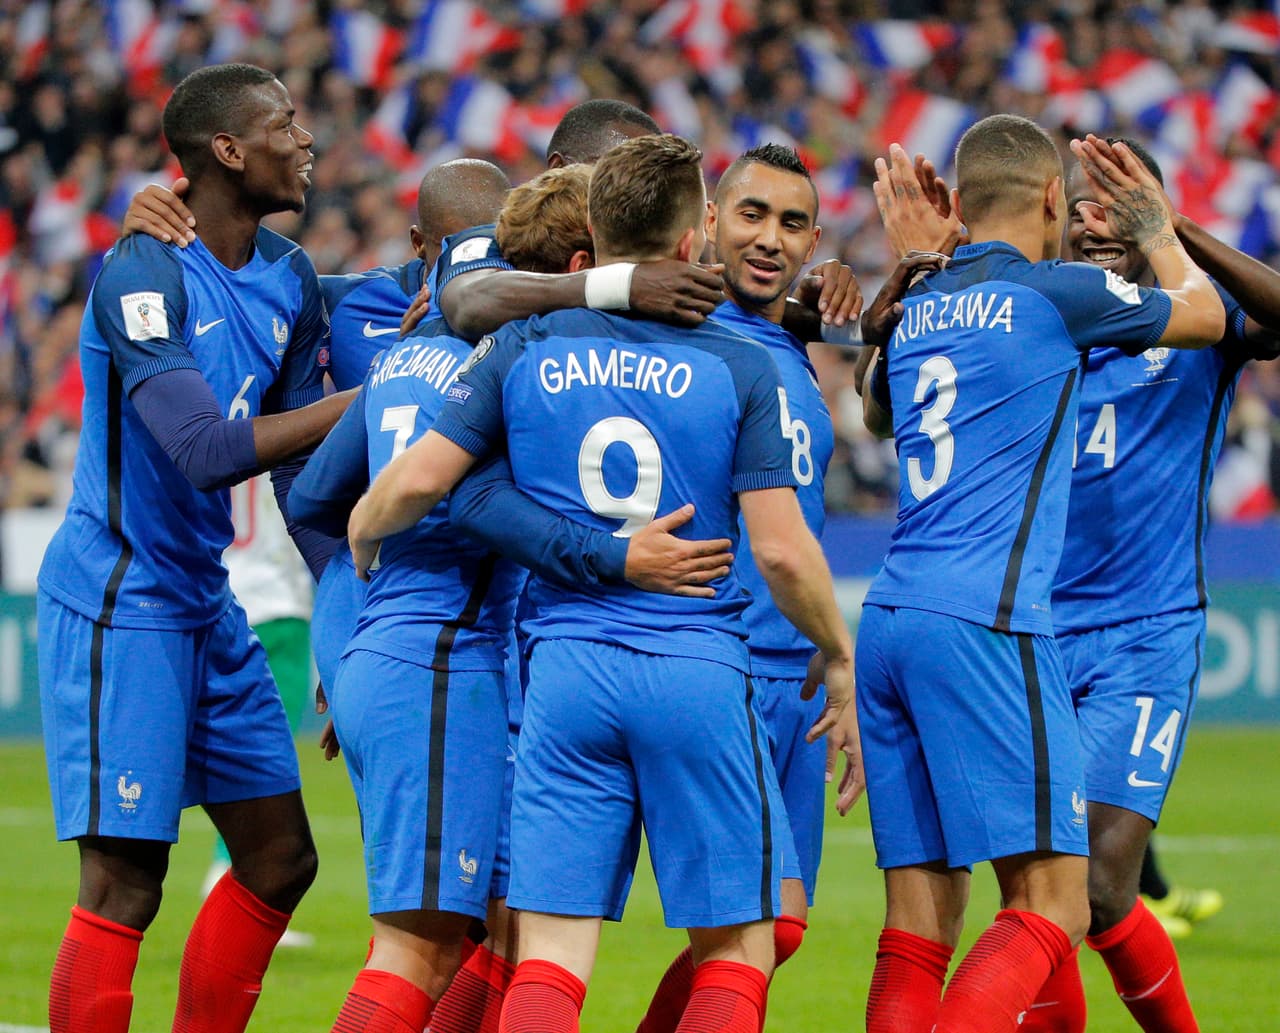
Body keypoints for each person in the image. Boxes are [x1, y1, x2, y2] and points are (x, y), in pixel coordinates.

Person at [345, 133, 856, 1033]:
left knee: (544, 955)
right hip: (698, 664)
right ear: (694, 238)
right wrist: (839, 649)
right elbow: (779, 550)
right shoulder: (738, 366)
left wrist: (364, 524)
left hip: (567, 673)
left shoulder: (528, 344)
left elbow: (425, 480)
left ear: (593, 233)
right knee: (740, 950)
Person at [855, 119, 1224, 1033]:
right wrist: (1158, 229)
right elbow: (1209, 315)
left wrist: (919, 272)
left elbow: (874, 413)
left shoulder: (917, 307)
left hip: (889, 613)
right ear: (1055, 200)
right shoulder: (1056, 294)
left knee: (919, 922)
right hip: (990, 616)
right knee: (1055, 902)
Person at [36, 63, 354, 1033]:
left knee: (279, 857)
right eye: (285, 123)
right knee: (125, 881)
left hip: (204, 603)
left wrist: (342, 623)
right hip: (118, 596)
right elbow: (205, 451)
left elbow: (303, 482)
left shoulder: (291, 278)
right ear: (227, 150)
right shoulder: (143, 270)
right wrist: (364, 404)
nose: (305, 141)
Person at [1012, 136, 1280, 1033]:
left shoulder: (1197, 327)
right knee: (1054, 889)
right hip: (1032, 636)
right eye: (1083, 200)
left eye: (1119, 203)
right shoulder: (1042, 322)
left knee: (1091, 876)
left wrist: (1175, 230)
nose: (1099, 219)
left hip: (1144, 632)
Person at [630, 142, 862, 1033]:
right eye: (752, 215)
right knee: (747, 933)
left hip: (785, 675)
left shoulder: (789, 341)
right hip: (714, 658)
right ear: (708, 224)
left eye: (794, 224)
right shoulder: (676, 329)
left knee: (779, 929)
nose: (770, 238)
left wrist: (836, 296)